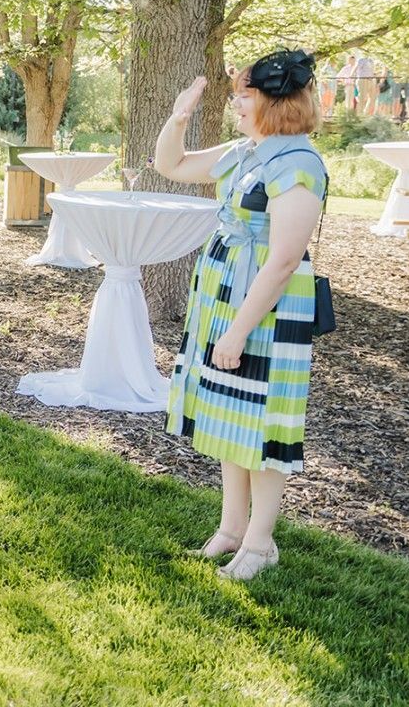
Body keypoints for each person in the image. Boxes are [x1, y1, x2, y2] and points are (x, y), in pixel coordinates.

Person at [153, 49, 326, 582]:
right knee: (233, 415)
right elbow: (172, 165)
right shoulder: (249, 151)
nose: (235, 106)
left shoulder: (296, 165)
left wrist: (237, 331)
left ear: (275, 102)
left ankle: (260, 541)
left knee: (266, 419)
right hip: (227, 293)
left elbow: (282, 262)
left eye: (242, 97)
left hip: (266, 308)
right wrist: (179, 116)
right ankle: (231, 529)